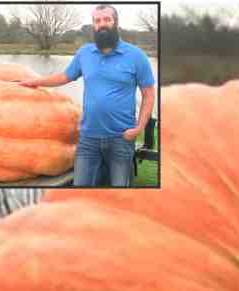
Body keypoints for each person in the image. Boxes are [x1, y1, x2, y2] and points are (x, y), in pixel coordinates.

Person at [19, 4, 156, 187]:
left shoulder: (136, 56)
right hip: (88, 139)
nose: (102, 24)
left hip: (121, 139)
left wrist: (139, 128)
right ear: (94, 25)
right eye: (97, 21)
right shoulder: (85, 53)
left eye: (107, 19)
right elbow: (64, 76)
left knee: (120, 193)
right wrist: (35, 82)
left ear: (116, 22)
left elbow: (148, 94)